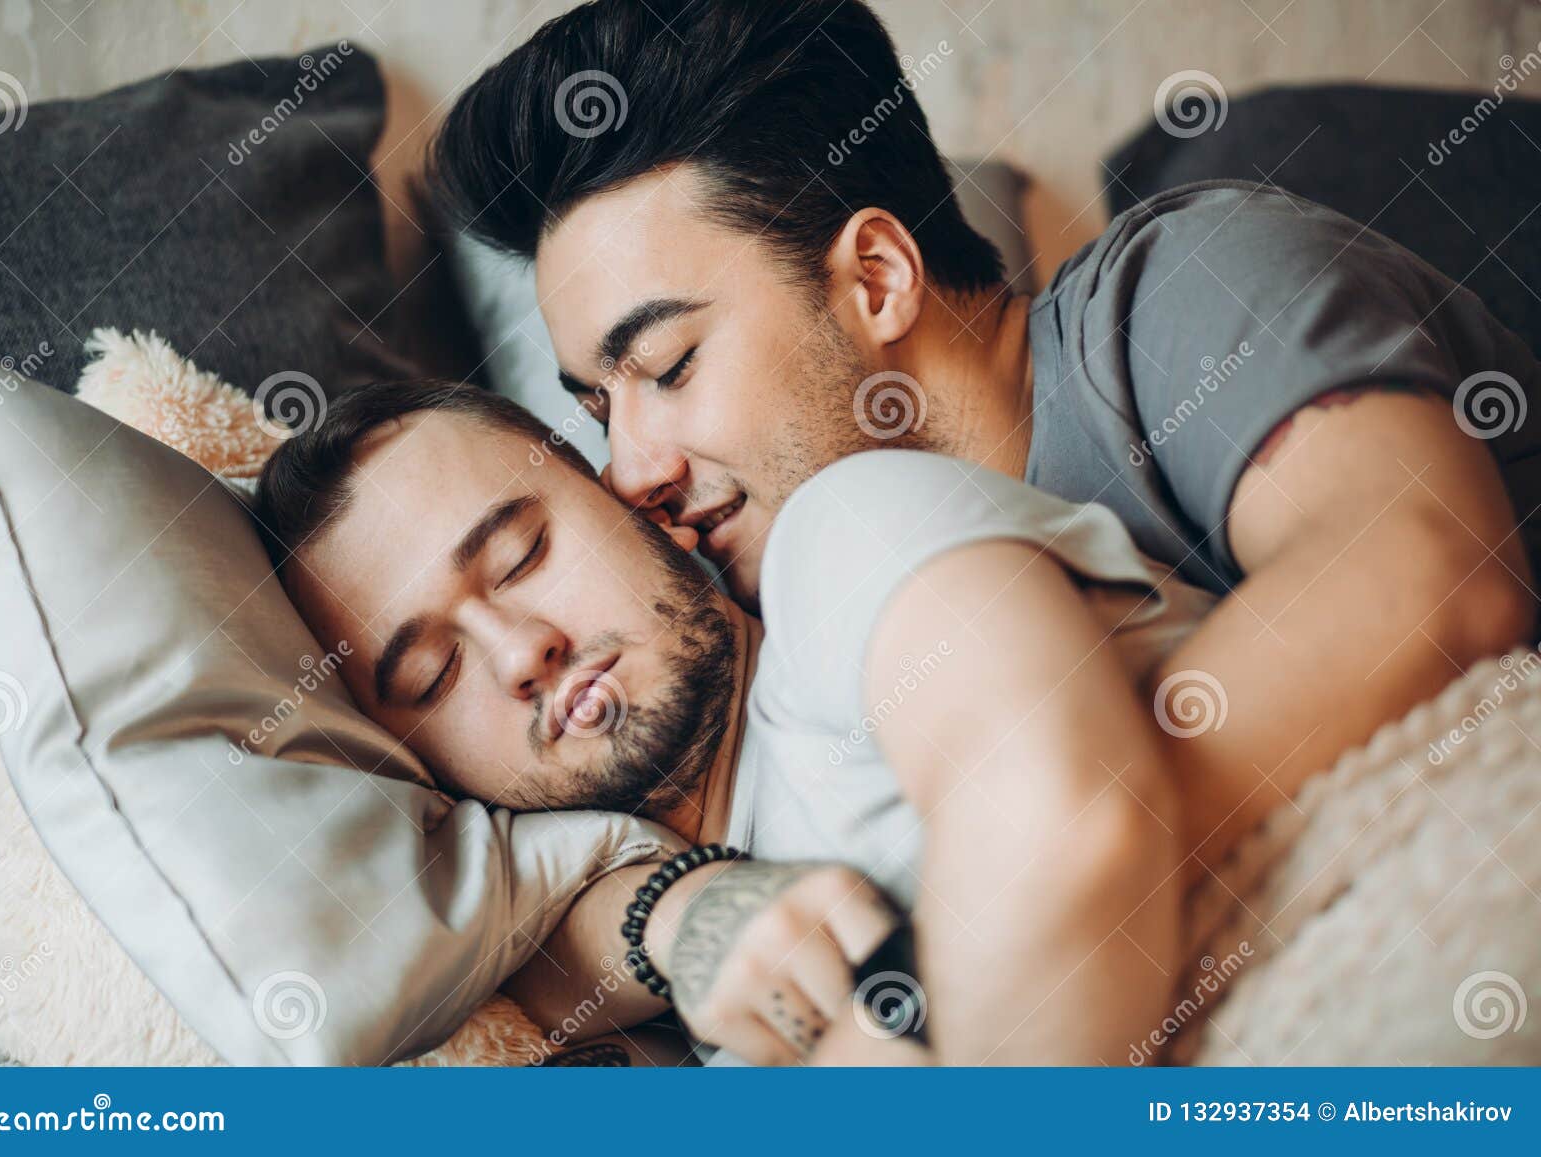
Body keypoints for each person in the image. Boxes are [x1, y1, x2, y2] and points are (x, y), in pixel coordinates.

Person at [432, 0, 1540, 875]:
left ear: (875, 279)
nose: (632, 472)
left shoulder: (1173, 296)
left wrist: (1003, 911)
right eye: (598, 407)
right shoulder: (791, 608)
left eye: (668, 366)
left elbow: (1431, 583)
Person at [255, 378, 1220, 1065]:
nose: (520, 650)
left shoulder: (840, 544)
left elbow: (1069, 829)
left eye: (521, 555)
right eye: (434, 672)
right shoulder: (575, 974)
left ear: (639, 507)